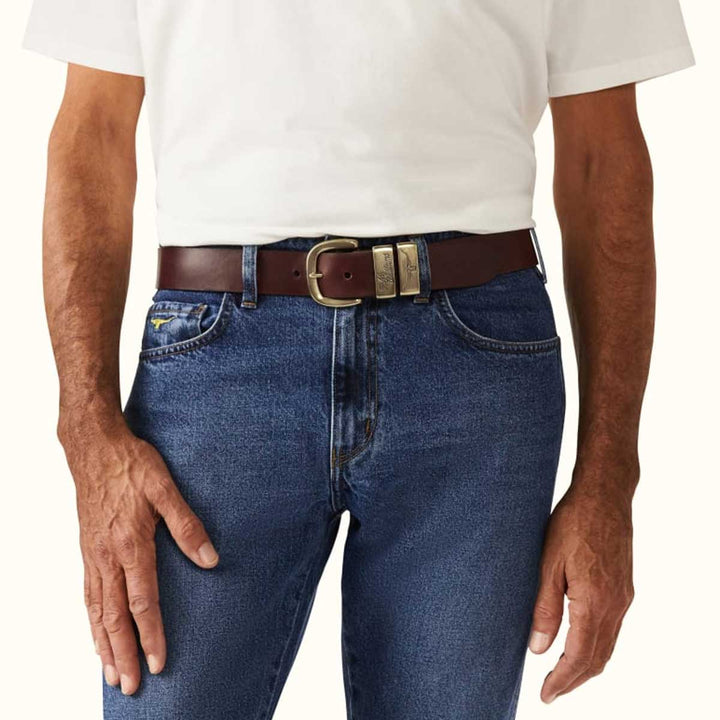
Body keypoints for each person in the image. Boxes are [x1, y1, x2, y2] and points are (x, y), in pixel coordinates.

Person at [24, 1, 693, 718]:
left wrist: (609, 482)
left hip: (476, 367)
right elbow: (92, 136)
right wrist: (87, 433)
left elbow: (603, 162)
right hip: (217, 361)